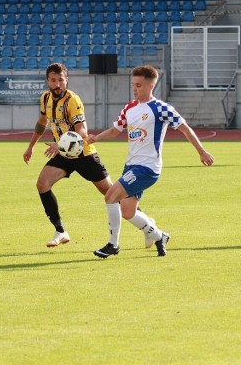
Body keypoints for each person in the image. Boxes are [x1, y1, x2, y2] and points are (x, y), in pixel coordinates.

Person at [87, 65, 215, 258]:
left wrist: (202, 152)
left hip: (147, 167)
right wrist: (96, 138)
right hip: (131, 165)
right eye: (133, 85)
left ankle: (113, 244)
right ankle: (159, 235)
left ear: (151, 85)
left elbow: (185, 128)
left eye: (138, 85)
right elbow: (115, 130)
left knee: (110, 195)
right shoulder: (129, 108)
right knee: (128, 211)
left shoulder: (161, 109)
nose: (135, 88)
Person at [23, 62, 113, 247]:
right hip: (64, 154)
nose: (57, 84)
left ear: (66, 80)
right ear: (47, 81)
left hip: (83, 154)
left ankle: (146, 224)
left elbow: (82, 132)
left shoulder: (73, 100)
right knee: (42, 184)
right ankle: (60, 231)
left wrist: (59, 143)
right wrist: (31, 146)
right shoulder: (45, 98)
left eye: (61, 80)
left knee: (112, 193)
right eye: (53, 80)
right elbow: (42, 123)